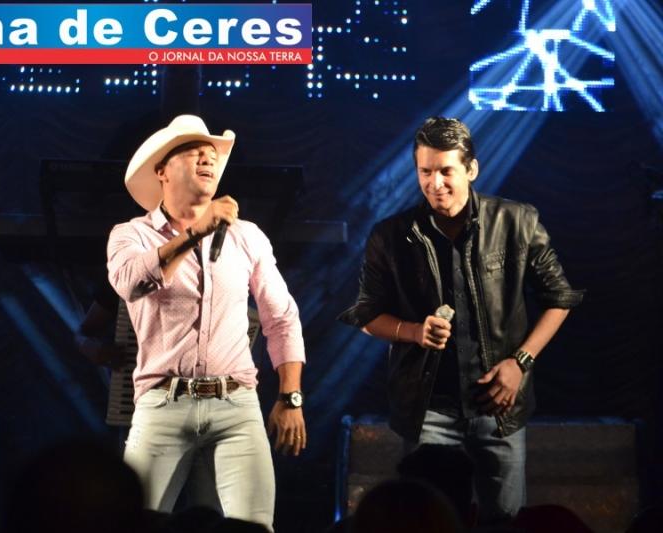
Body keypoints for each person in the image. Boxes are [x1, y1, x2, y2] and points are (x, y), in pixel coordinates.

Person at [339, 117, 583, 523]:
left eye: (445, 171)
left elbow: (560, 298)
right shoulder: (391, 234)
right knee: (426, 523)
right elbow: (366, 314)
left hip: (499, 406)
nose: (435, 183)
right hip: (427, 410)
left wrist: (520, 363)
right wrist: (413, 331)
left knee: (504, 523)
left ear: (471, 169)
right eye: (425, 172)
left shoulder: (516, 221)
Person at [107, 114, 307, 530]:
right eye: (193, 151)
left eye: (212, 154)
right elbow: (130, 283)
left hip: (236, 405)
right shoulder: (131, 235)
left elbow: (281, 317)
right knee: (129, 523)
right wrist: (196, 232)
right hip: (161, 403)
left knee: (255, 527)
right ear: (161, 171)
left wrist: (291, 396)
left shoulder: (247, 236)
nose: (208, 158)